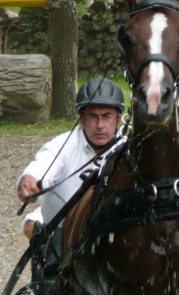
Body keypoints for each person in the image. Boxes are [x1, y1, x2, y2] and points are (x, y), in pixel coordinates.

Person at [16, 77, 126, 268]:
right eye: (93, 116)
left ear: (117, 118)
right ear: (82, 119)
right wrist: (29, 181)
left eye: (107, 116)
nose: (100, 125)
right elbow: (42, 166)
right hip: (62, 234)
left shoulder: (129, 150)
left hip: (114, 236)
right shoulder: (63, 145)